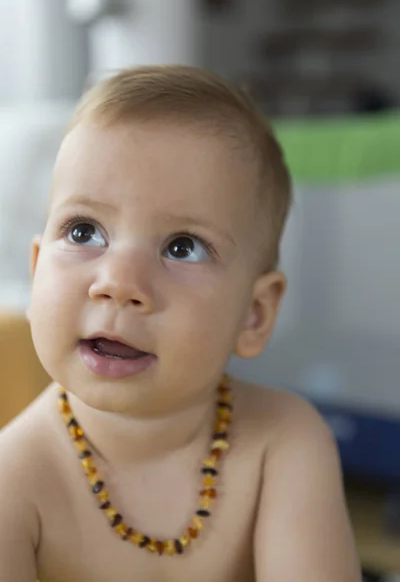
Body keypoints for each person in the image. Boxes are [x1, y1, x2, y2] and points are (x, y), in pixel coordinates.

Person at [0, 65, 361, 581]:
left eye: (181, 247)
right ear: (37, 275)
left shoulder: (283, 443)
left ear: (254, 314)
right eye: (84, 231)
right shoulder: (15, 481)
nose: (119, 282)